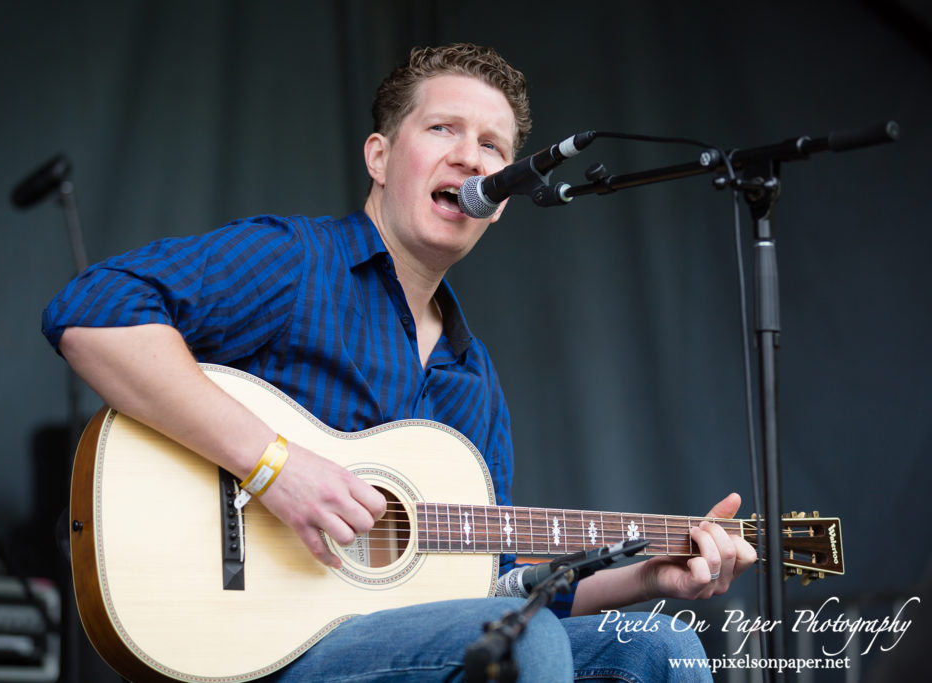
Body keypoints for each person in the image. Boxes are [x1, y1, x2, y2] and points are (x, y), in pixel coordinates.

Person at [43, 43, 756, 681]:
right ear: (380, 157)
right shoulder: (297, 263)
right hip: (256, 646)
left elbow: (498, 584)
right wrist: (274, 467)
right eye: (444, 128)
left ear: (501, 201)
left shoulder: (471, 379)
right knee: (522, 646)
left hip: (398, 648)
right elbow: (91, 311)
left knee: (661, 647)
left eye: (492, 146)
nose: (472, 158)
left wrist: (651, 574)